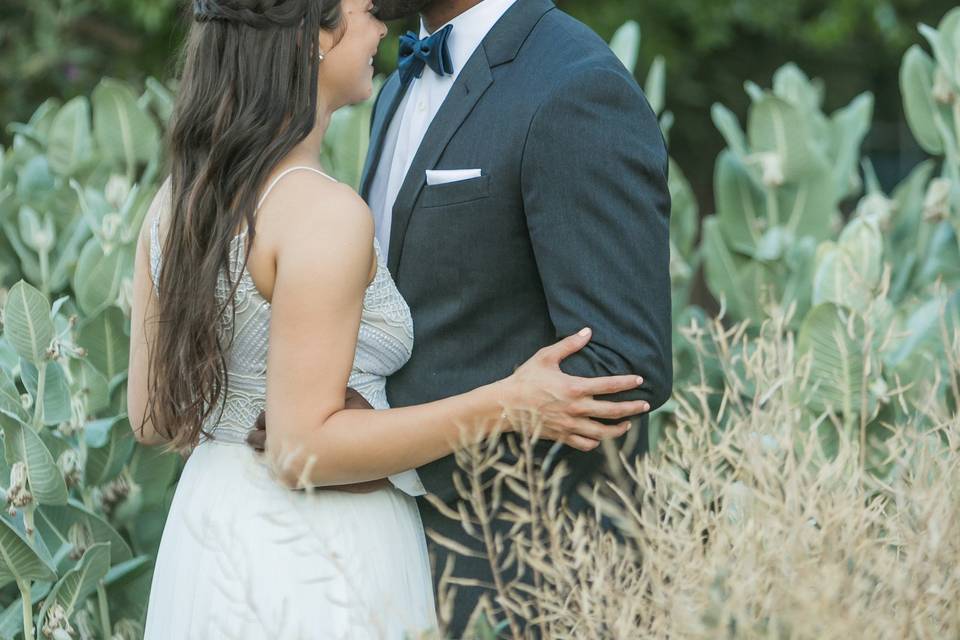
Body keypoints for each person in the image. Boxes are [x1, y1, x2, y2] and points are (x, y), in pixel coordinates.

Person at [126, 0, 652, 637]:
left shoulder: (178, 200)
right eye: (357, 7)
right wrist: (507, 401)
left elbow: (153, 416)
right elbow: (302, 444)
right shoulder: (329, 196)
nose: (376, 17)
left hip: (213, 528)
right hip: (325, 540)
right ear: (309, 39)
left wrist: (267, 409)